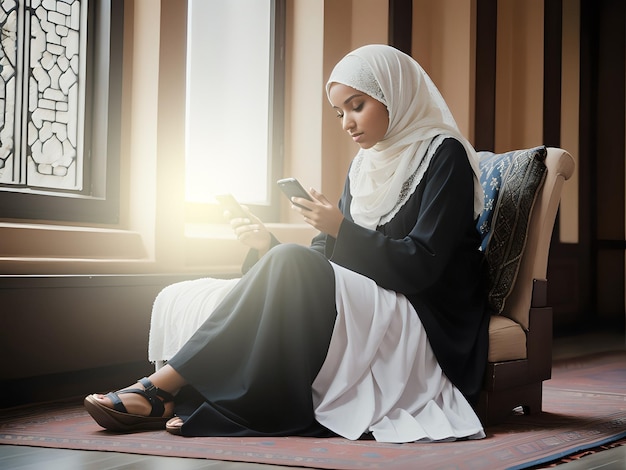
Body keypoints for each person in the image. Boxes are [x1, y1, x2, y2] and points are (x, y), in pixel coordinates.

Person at [84, 44, 489, 443]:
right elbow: (321, 261)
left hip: (426, 311)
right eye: (339, 112)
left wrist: (340, 228)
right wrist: (268, 245)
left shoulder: (444, 155)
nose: (347, 122)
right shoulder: (365, 165)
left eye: (357, 105)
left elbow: (425, 263)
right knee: (287, 258)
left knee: (291, 261)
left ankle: (159, 388)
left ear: (393, 93)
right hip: (376, 293)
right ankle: (169, 390)